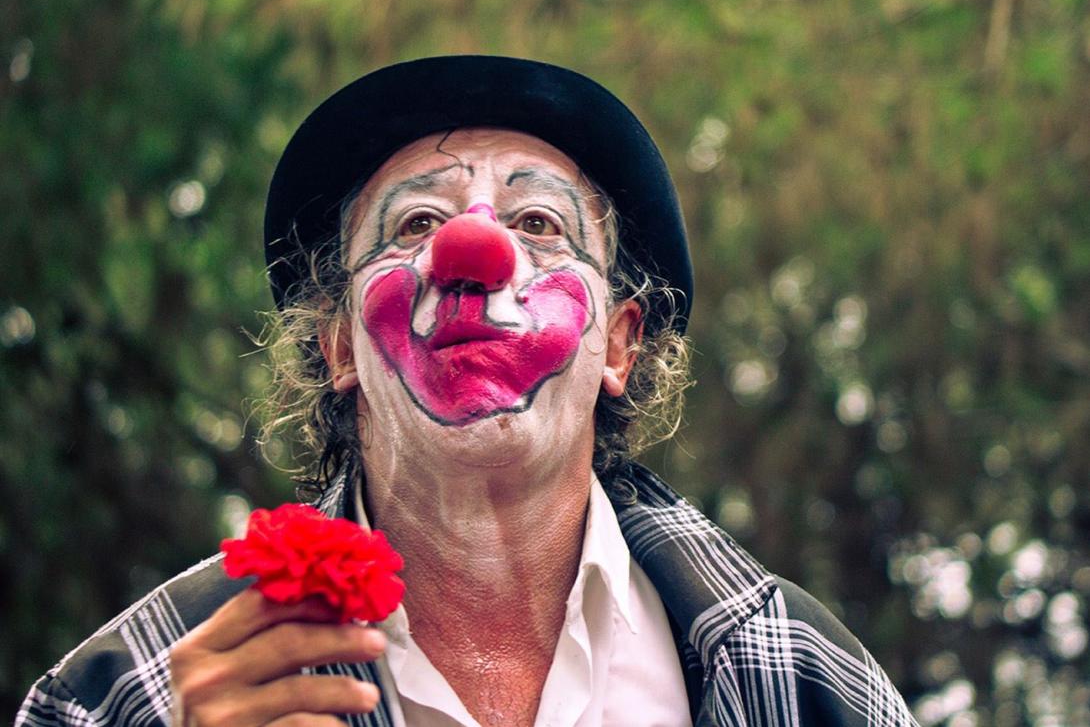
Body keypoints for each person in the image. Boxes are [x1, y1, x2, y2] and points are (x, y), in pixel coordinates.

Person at [17, 56, 917, 726]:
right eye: (415, 223)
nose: (472, 254)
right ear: (338, 343)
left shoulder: (796, 674)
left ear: (618, 342)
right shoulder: (137, 688)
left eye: (538, 223)